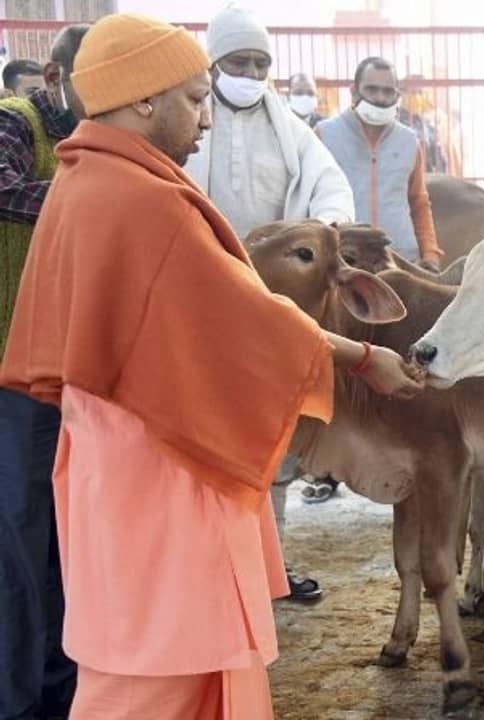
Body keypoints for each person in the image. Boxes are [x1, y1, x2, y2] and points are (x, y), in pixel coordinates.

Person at [0, 13, 422, 718]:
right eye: (196, 100)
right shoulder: (142, 201)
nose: (207, 119)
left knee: (142, 659)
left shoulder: (84, 184)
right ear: (142, 100)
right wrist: (365, 355)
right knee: (161, 669)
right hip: (161, 471)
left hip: (116, 472)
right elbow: (246, 319)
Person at [184, 4, 355, 600]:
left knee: (273, 438)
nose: (251, 72)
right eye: (239, 62)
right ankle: (211, 572)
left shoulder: (289, 127)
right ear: (213, 63)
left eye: (260, 62)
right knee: (205, 439)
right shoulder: (192, 121)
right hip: (200, 298)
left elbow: (329, 183)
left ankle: (269, 567)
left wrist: (326, 225)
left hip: (271, 304)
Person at [0, 23, 89, 720]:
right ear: (60, 79)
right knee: (25, 541)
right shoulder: (16, 123)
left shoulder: (101, 150)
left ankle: (63, 689)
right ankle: (22, 700)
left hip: (71, 371)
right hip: (14, 377)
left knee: (67, 538)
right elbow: (3, 191)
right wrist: (96, 200)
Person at [318, 57, 443, 270]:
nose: (380, 98)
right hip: (343, 263)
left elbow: (419, 203)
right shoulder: (324, 135)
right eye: (372, 89)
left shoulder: (409, 142)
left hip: (400, 263)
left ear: (397, 95)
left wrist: (430, 255)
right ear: (354, 91)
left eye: (388, 91)